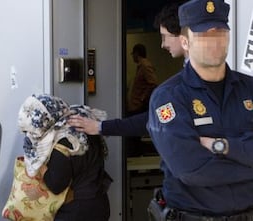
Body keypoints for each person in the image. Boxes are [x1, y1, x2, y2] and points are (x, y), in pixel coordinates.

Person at [147, 0, 253, 219]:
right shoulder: (169, 97)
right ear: (185, 42)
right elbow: (191, 170)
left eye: (220, 33)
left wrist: (222, 146)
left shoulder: (249, 88)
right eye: (204, 35)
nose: (214, 42)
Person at [68, 2, 188, 138]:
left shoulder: (177, 86)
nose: (163, 44)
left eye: (165, 36)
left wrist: (100, 127)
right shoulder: (182, 82)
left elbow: (154, 116)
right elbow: (157, 118)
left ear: (182, 35)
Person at [18, 94, 112, 221]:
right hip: (99, 203)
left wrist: (40, 167)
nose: (32, 134)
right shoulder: (82, 124)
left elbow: (57, 185)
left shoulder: (62, 143)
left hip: (77, 211)